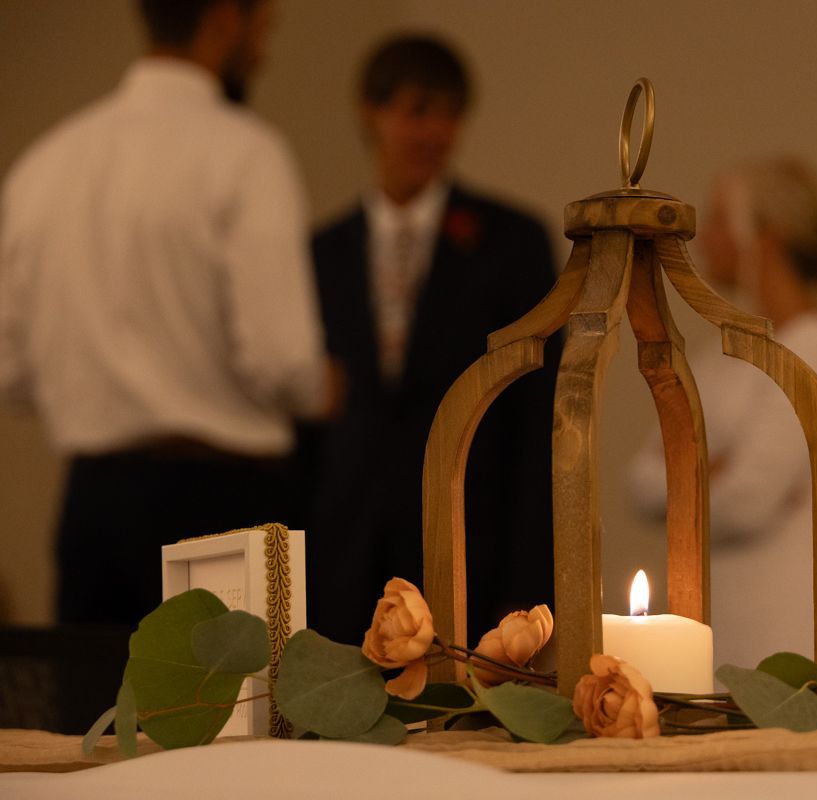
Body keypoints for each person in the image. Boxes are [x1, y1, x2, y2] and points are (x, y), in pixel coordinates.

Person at [0, 0, 333, 625]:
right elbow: (281, 360)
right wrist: (323, 387)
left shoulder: (43, 165)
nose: (265, 49)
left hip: (92, 507)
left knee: (91, 719)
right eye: (264, 28)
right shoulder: (245, 153)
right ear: (225, 21)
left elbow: (11, 374)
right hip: (223, 508)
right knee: (241, 721)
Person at [629, 157, 817, 669]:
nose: (704, 239)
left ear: (766, 236)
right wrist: (714, 468)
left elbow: (749, 498)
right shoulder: (718, 355)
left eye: (722, 220)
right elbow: (635, 482)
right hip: (721, 614)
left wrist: (687, 465)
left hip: (791, 617)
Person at [304, 35, 561, 645]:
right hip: (343, 556)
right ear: (372, 111)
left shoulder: (512, 242)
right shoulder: (322, 252)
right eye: (418, 111)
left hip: (472, 543)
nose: (435, 133)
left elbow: (536, 419)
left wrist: (527, 586)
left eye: (450, 114)